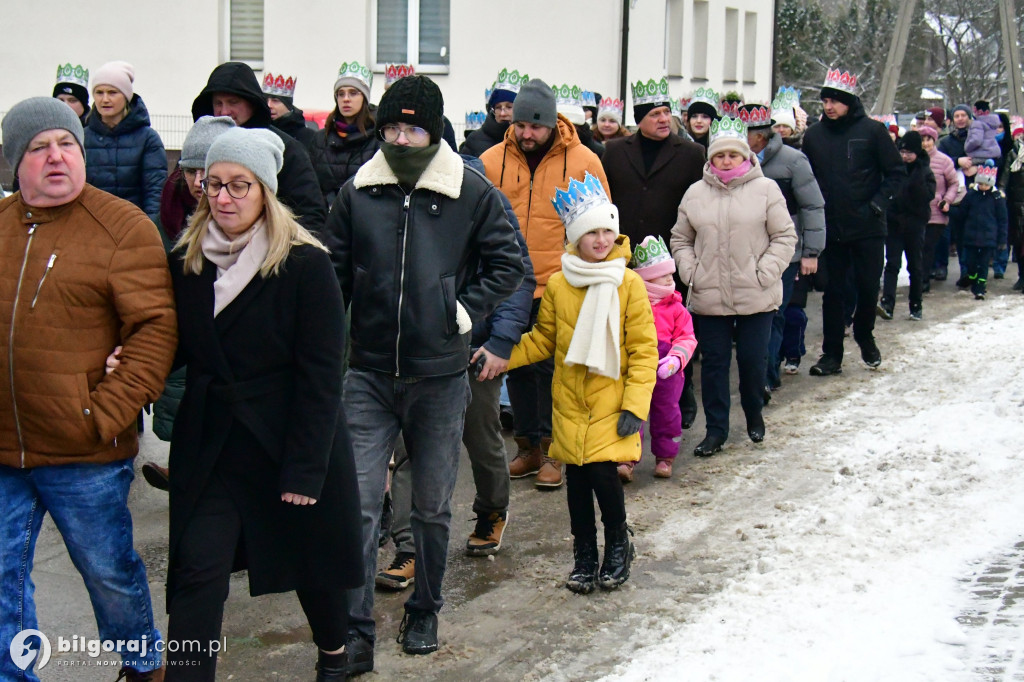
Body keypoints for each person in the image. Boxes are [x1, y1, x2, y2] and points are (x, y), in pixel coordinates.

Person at [323, 75, 523, 670]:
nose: (400, 139)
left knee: (432, 506)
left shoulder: (471, 192)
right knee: (358, 505)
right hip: (369, 375)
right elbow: (331, 271)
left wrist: (460, 311)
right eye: (391, 128)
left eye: (412, 128)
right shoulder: (358, 191)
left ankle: (425, 608)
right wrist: (333, 336)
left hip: (439, 377)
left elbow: (508, 261)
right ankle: (356, 628)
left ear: (433, 131)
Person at [161, 126, 363, 682]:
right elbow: (173, 342)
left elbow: (323, 375)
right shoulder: (187, 261)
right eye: (214, 184)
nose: (223, 197)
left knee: (311, 567)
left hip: (287, 438)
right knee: (197, 572)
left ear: (266, 191)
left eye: (239, 185)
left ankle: (334, 654)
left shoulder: (305, 264)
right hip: (216, 443)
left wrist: (305, 468)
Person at [0, 97, 177, 682]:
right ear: (12, 163)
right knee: (2, 576)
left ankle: (143, 663)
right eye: (38, 148)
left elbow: (154, 329)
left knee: (108, 571)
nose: (56, 157)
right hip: (3, 445)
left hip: (85, 450)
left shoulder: (122, 226)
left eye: (67, 144)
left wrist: (102, 413)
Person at [378, 155, 535, 590]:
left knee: (479, 436)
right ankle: (409, 548)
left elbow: (517, 278)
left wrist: (501, 343)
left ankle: (491, 510)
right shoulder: (406, 205)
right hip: (419, 352)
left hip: (475, 349)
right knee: (411, 447)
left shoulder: (488, 202)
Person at [508, 171, 657, 594]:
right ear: (576, 237)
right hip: (571, 399)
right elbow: (544, 340)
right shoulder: (559, 282)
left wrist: (635, 405)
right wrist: (500, 357)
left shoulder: (628, 284)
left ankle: (616, 546)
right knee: (576, 484)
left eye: (607, 231)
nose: (600, 240)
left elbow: (645, 352)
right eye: (591, 233)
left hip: (612, 400)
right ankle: (584, 554)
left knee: (605, 479)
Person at [480, 77, 607, 489]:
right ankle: (527, 446)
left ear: (553, 123)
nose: (526, 133)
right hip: (510, 284)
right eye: (520, 125)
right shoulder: (491, 160)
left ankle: (555, 450)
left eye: (534, 126)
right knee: (517, 367)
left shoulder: (585, 160)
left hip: (562, 283)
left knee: (555, 371)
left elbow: (602, 222)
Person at [670, 116, 796, 456]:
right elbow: (681, 238)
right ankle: (716, 430)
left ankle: (754, 413)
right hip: (710, 295)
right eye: (720, 156)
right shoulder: (696, 193)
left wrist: (764, 272)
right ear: (710, 158)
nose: (726, 161)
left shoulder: (766, 189)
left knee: (753, 362)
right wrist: (691, 271)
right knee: (713, 365)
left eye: (733, 155)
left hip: (756, 292)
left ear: (746, 157)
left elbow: (784, 236)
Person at [602, 77, 705, 431]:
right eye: (656, 114)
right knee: (634, 330)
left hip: (670, 256)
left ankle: (683, 388)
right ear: (640, 118)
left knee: (674, 327)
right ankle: (632, 396)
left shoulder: (691, 154)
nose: (664, 119)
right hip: (627, 259)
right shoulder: (615, 152)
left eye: (668, 113)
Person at [142, 116, 237, 491]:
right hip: (177, 334)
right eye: (192, 171)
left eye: (208, 171)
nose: (200, 182)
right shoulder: (162, 221)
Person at [801, 68, 905, 376]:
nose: (829, 107)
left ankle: (865, 335)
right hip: (831, 228)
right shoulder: (815, 135)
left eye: (835, 101)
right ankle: (831, 354)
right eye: (825, 101)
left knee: (866, 287)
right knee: (833, 293)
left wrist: (876, 204)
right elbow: (807, 180)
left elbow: (896, 173)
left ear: (849, 102)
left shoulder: (871, 131)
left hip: (868, 228)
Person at [742, 103, 824, 395]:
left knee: (775, 311)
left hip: (784, 252)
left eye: (746, 132)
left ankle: (767, 375)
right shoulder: (733, 161)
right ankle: (756, 370)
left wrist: (811, 252)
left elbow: (812, 205)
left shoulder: (793, 161)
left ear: (761, 136)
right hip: (744, 252)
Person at [191, 61, 326, 231]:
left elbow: (310, 216)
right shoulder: (199, 146)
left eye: (233, 102)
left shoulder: (284, 150)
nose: (224, 111)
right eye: (218, 103)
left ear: (252, 103)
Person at [623, 236, 696, 480]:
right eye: (661, 274)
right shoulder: (632, 303)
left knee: (667, 413)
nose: (669, 279)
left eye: (670, 274)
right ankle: (626, 458)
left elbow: (687, 338)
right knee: (633, 411)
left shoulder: (677, 308)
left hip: (668, 372)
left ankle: (666, 457)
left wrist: (676, 359)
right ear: (645, 277)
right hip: (637, 369)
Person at [85, 61, 167, 220]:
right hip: (90, 228)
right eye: (99, 92)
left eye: (112, 92)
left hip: (133, 227)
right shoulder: (82, 138)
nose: (105, 99)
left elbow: (154, 193)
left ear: (126, 96)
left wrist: (149, 231)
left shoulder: (148, 139)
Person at [877, 131, 936, 321]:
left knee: (915, 266)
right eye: (902, 152)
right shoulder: (894, 170)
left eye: (909, 153)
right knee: (892, 263)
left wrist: (917, 177)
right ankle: (888, 303)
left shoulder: (925, 171)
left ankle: (916, 304)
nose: (905, 156)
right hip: (894, 222)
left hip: (915, 223)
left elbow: (928, 195)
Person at [307, 61, 380, 208]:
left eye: (353, 93)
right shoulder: (321, 139)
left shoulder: (377, 139)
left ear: (364, 98)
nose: (346, 99)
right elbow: (312, 186)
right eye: (341, 94)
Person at [950, 162, 1007, 300]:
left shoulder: (996, 198)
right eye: (981, 184)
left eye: (986, 185)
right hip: (971, 236)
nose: (983, 187)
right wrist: (950, 212)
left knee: (983, 264)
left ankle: (980, 287)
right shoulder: (971, 196)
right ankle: (972, 277)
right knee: (970, 262)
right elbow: (962, 213)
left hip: (988, 238)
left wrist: (1002, 239)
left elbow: (1002, 220)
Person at [918, 125, 961, 294]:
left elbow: (954, 183)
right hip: (917, 211)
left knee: (928, 246)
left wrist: (947, 200)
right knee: (917, 247)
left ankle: (924, 279)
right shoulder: (912, 159)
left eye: (928, 139)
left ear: (934, 140)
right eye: (922, 139)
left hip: (937, 211)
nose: (925, 143)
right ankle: (918, 276)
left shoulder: (944, 160)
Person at [460, 68, 526, 157]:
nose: (502, 113)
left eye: (509, 107)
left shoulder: (527, 140)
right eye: (498, 107)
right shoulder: (474, 140)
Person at [999, 124, 1024, 290]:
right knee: (1020, 243)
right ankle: (1022, 277)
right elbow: (1006, 176)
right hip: (1016, 204)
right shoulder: (1014, 151)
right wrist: (1001, 191)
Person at [262, 72, 317, 147]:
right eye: (265, 100)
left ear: (288, 105)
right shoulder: (256, 131)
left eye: (275, 101)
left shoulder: (309, 137)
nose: (269, 105)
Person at [964, 100, 1002, 166]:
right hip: (993, 153)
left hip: (981, 154)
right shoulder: (993, 123)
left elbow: (976, 140)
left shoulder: (977, 123)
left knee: (964, 166)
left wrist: (967, 148)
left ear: (978, 112)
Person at [686, 87, 719, 151]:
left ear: (712, 121)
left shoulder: (718, 148)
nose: (699, 121)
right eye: (694, 116)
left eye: (705, 117)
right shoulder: (682, 147)